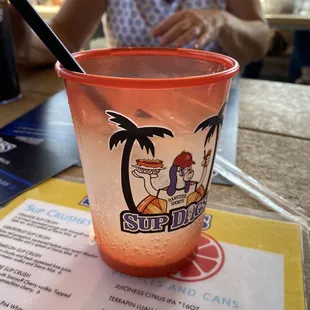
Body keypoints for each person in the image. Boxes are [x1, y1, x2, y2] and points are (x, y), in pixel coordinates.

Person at [9, 0, 269, 68]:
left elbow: (260, 41)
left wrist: (221, 20)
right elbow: (64, 34)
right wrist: (20, 38)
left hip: (212, 101)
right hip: (127, 99)